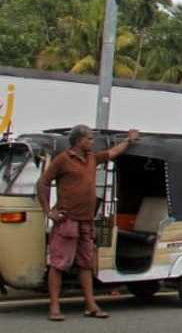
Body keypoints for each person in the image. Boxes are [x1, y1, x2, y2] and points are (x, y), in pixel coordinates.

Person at [36, 125, 140, 321]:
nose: (92, 142)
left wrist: (128, 140)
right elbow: (43, 182)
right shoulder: (63, 159)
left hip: (86, 220)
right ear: (79, 141)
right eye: (90, 139)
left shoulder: (92, 158)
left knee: (86, 264)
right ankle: (55, 307)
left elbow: (112, 153)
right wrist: (48, 211)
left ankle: (91, 305)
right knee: (58, 264)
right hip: (68, 220)